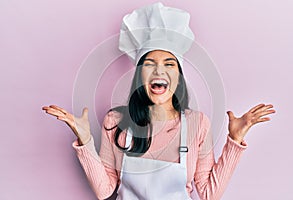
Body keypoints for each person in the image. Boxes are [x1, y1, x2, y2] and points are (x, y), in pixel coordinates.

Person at [42, 3, 275, 200]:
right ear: (139, 75)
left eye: (169, 64)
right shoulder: (116, 121)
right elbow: (105, 191)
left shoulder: (197, 123)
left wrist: (234, 140)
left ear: (178, 77)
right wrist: (85, 141)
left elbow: (207, 193)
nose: (158, 71)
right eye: (149, 64)